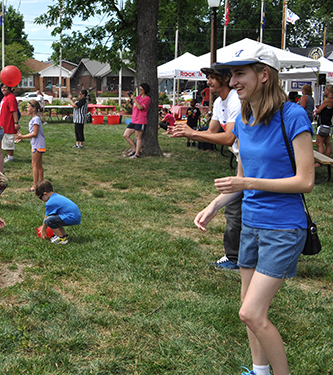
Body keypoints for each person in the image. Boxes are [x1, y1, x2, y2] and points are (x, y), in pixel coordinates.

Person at [194, 44, 314, 375]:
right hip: (252, 224)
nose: (232, 82)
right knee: (246, 308)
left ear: (264, 75)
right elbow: (243, 178)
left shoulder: (293, 116)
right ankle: (259, 371)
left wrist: (247, 186)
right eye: (232, 75)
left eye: (240, 73)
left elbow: (305, 181)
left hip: (283, 226)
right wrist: (215, 204)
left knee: (251, 313)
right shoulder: (243, 120)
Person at [169, 66, 243, 271]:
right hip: (241, 160)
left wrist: (193, 134)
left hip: (250, 161)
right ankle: (237, 256)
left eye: (212, 78)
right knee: (236, 209)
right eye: (208, 78)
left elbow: (229, 137)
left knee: (237, 210)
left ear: (225, 79)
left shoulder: (237, 100)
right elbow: (211, 132)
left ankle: (237, 258)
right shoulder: (220, 102)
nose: (208, 82)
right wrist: (185, 131)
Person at [34, 179, 81, 245]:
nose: (41, 200)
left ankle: (61, 238)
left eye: (40, 198)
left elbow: (46, 218)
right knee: (55, 219)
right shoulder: (56, 196)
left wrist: (43, 230)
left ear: (45, 194)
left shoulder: (50, 202)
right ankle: (64, 236)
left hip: (71, 217)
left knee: (49, 220)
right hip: (75, 216)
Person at [15, 100, 45, 191]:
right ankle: (41, 184)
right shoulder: (35, 118)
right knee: (38, 164)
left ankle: (35, 186)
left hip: (38, 144)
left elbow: (35, 133)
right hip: (37, 144)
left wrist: (22, 136)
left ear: (34, 108)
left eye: (28, 107)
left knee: (35, 164)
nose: (27, 109)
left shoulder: (36, 119)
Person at [123, 83, 151, 159]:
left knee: (138, 137)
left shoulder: (147, 99)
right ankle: (134, 149)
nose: (140, 90)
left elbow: (140, 107)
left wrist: (135, 99)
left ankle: (137, 154)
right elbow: (132, 106)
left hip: (141, 120)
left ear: (145, 90)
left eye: (141, 89)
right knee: (126, 135)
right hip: (134, 120)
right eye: (139, 89)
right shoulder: (138, 97)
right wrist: (130, 99)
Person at [0, 84, 20, 163]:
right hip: (3, 123)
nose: (3, 89)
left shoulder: (11, 97)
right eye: (2, 87)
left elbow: (14, 111)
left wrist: (16, 122)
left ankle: (10, 156)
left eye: (5, 87)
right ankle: (8, 155)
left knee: (8, 139)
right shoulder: (5, 97)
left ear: (9, 88)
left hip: (9, 123)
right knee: (5, 139)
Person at [314, 84, 333, 158]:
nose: (324, 91)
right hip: (328, 123)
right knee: (327, 143)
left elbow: (319, 111)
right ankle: (327, 158)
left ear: (328, 90)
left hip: (323, 123)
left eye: (325, 90)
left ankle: (321, 160)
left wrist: (316, 110)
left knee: (319, 143)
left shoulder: (327, 100)